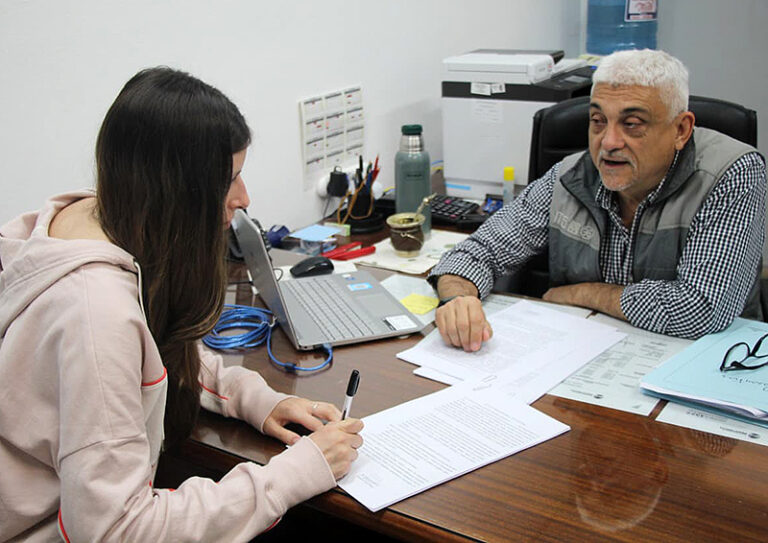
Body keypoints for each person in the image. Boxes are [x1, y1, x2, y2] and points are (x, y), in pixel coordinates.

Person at [0, 67, 363, 542]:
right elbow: (117, 530)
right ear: (176, 190)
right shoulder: (95, 315)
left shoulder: (88, 214)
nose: (244, 197)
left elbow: (149, 355)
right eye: (229, 179)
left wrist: (255, 399)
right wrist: (295, 474)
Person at [429, 49, 766, 351]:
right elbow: (474, 254)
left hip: (703, 365)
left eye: (632, 124)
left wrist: (580, 294)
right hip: (582, 359)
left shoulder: (732, 174)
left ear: (680, 130)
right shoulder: (570, 176)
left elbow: (700, 310)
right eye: (598, 121)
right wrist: (458, 298)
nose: (608, 142)